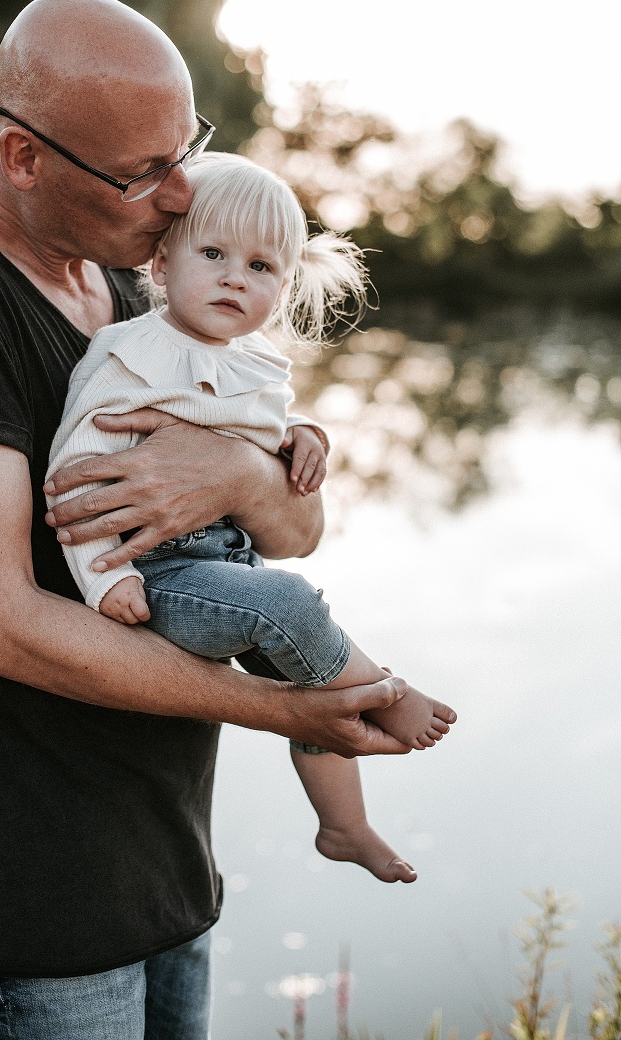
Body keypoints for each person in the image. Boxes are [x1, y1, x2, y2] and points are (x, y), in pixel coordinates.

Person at [0, 0, 433, 1040]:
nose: (178, 198)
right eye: (140, 173)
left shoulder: (137, 295)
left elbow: (294, 535)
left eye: (186, 153)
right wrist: (287, 711)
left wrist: (243, 476)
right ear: (24, 157)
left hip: (166, 845)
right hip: (42, 882)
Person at [47, 151, 456, 886]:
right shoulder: (131, 356)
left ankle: (345, 825)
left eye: (262, 267)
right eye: (214, 255)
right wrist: (105, 580)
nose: (237, 276)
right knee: (292, 607)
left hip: (230, 564)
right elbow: (75, 477)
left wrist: (305, 437)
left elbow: (261, 430)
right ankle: (387, 692)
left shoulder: (254, 361)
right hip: (158, 576)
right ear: (163, 265)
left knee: (313, 684)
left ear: (285, 286)